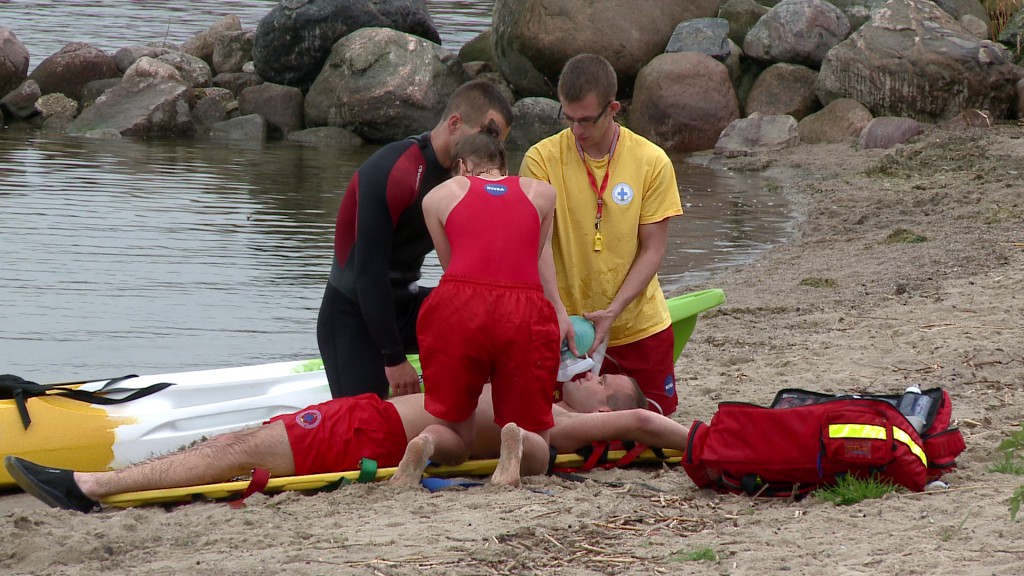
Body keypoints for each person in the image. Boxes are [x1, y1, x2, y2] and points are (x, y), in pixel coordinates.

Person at [3, 372, 682, 512]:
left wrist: (701, 438)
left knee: (236, 449)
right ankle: (94, 486)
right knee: (239, 442)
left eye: (603, 382)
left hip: (372, 431)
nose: (590, 375)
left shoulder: (558, 422)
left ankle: (89, 487)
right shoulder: (538, 396)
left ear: (609, 408)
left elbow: (645, 426)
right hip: (370, 416)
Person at [318, 79, 514, 400]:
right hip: (355, 315)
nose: (491, 149)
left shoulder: (467, 177)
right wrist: (394, 359)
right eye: (488, 134)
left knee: (492, 318)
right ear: (454, 124)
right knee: (368, 422)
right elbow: (368, 275)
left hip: (405, 306)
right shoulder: (396, 169)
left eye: (498, 142)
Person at [390, 126, 560, 488]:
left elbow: (451, 265)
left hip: (458, 306)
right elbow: (530, 258)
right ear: (504, 165)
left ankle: (426, 442)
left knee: (458, 432)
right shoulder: (543, 193)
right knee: (539, 446)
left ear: (462, 167)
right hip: (522, 306)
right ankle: (516, 439)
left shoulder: (436, 197)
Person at [519, 54, 684, 415]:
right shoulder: (540, 159)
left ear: (613, 109)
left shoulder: (652, 161)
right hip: (567, 331)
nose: (576, 129)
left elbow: (652, 250)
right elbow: (536, 244)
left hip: (638, 326)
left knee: (653, 427)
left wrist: (613, 311)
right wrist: (556, 310)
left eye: (586, 120)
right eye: (568, 117)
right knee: (561, 429)